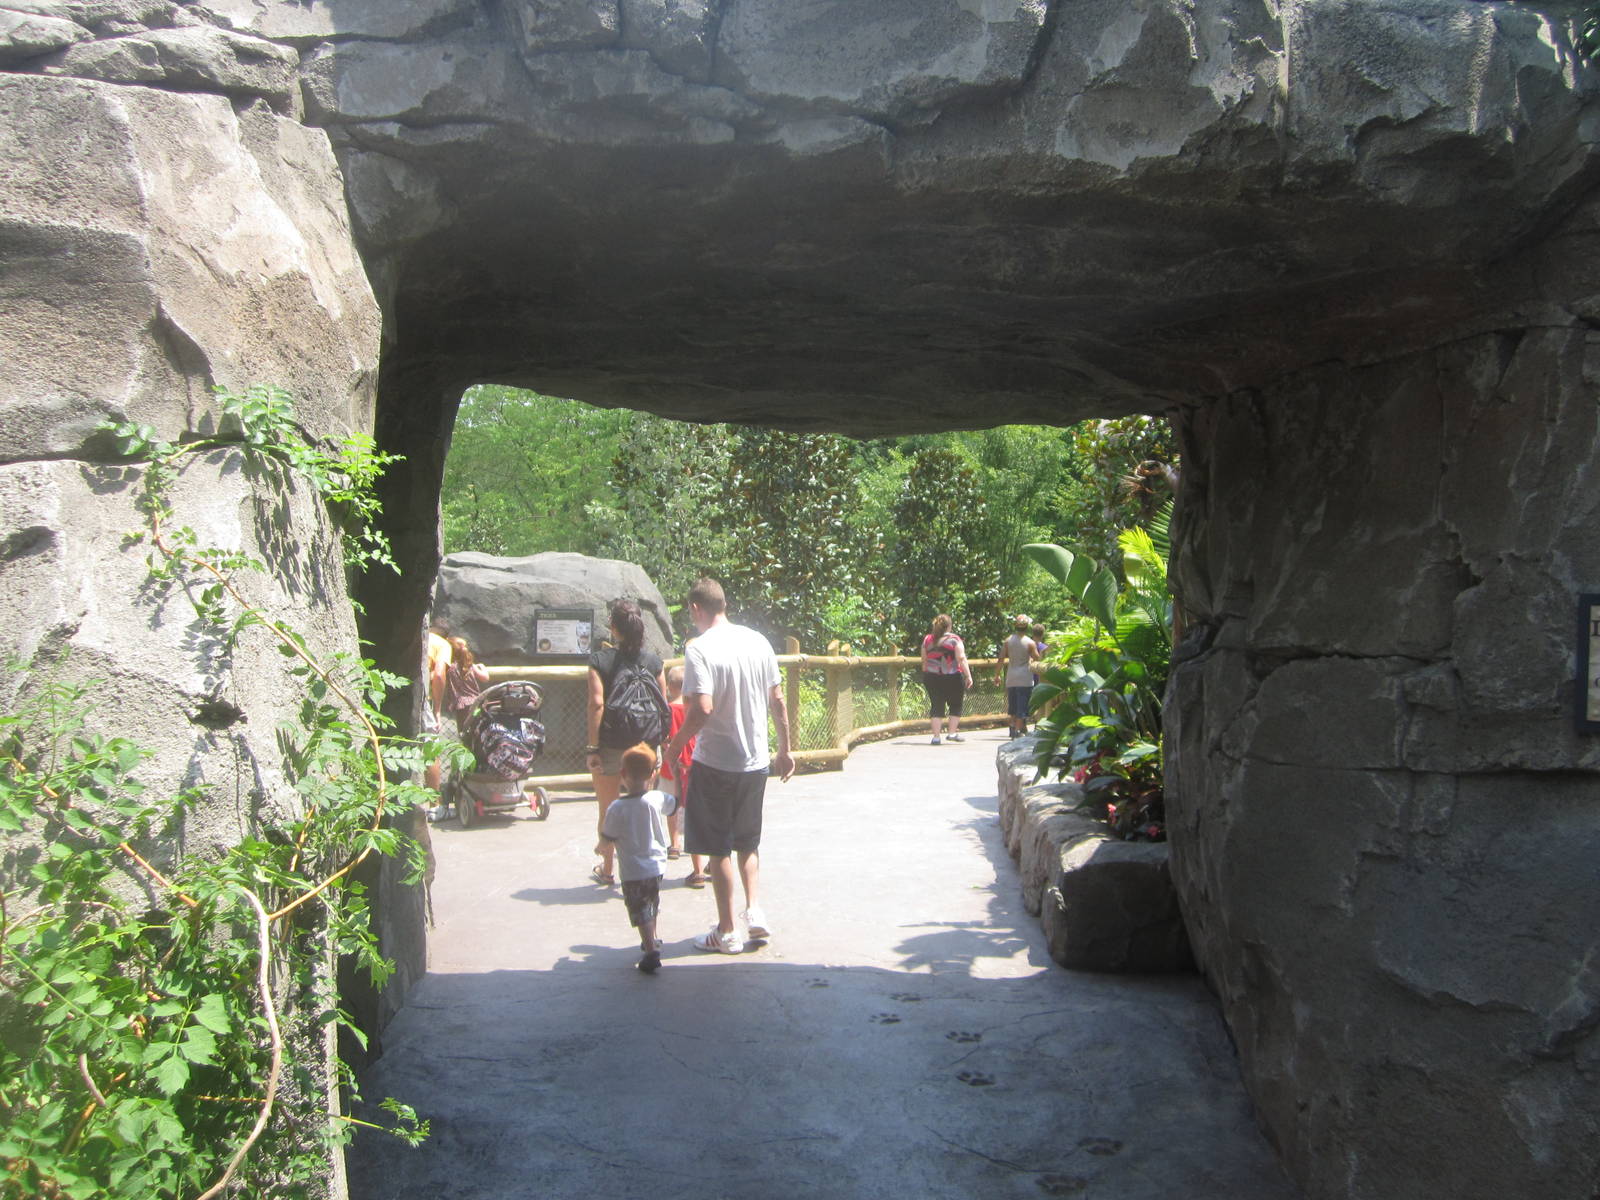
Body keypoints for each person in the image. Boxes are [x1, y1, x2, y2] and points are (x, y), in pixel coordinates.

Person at [662, 578, 794, 955]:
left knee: (717, 847)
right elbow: (778, 701)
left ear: (695, 609)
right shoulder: (758, 641)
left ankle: (727, 930)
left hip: (716, 762)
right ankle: (755, 913)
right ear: (724, 604)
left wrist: (673, 750)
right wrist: (785, 750)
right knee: (747, 841)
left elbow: (702, 708)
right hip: (755, 761)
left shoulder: (699, 649)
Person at [586, 598, 667, 887]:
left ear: (614, 628)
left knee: (608, 809)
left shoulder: (599, 660)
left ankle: (608, 870)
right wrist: (663, 744)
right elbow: (662, 705)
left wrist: (593, 748)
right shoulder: (654, 661)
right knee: (645, 806)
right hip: (646, 745)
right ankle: (649, 865)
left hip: (611, 743)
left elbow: (597, 704)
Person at [596, 742, 678, 973]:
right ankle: (652, 938)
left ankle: (651, 950)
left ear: (622, 774)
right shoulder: (657, 798)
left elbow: (608, 836)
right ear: (653, 774)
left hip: (633, 870)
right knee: (652, 902)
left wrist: (601, 847)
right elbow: (674, 805)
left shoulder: (616, 807)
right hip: (656, 865)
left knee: (639, 907)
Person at [661, 665, 710, 888]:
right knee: (701, 811)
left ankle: (675, 844)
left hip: (675, 763)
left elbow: (666, 736)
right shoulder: (696, 707)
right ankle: (711, 859)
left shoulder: (669, 709)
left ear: (670, 687)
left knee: (675, 807)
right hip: (698, 760)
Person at [920, 613, 972, 745]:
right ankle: (952, 733)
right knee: (956, 704)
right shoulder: (954, 639)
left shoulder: (927, 639)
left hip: (931, 676)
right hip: (952, 676)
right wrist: (968, 675)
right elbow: (961, 658)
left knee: (936, 704)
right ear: (949, 626)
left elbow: (924, 660)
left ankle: (936, 737)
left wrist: (926, 673)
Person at [995, 614, 1039, 738]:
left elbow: (1001, 658)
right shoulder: (1030, 643)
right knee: (1022, 706)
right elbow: (1037, 658)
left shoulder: (1008, 641)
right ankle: (1019, 731)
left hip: (1011, 677)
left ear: (1015, 626)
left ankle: (1012, 727)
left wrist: (997, 675)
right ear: (1027, 627)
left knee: (1013, 706)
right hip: (1025, 678)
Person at [443, 635, 490, 734]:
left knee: (464, 732)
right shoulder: (470, 666)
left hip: (462, 705)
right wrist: (483, 668)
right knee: (477, 730)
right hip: (476, 701)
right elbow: (485, 678)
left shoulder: (448, 667)